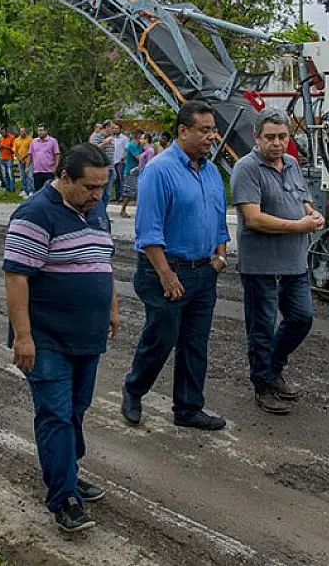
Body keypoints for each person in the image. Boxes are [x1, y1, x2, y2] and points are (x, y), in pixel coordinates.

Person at [3, 143, 116, 533]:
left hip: (87, 336)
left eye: (103, 187)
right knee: (55, 413)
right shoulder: (34, 214)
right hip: (46, 338)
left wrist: (112, 308)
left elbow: (103, 263)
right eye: (89, 187)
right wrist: (23, 337)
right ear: (64, 177)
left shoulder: (96, 211)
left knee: (76, 410)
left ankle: (67, 471)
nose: (97, 195)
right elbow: (16, 277)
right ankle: (63, 496)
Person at [122, 101, 230, 431]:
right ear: (183, 132)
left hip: (203, 272)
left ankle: (188, 407)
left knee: (195, 343)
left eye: (213, 129)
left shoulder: (211, 171)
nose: (212, 136)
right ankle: (134, 389)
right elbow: (148, 231)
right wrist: (166, 275)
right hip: (165, 272)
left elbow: (218, 219)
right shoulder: (159, 170)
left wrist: (220, 257)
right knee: (162, 338)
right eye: (205, 130)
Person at [230, 109, 325, 415]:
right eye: (270, 137)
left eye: (283, 136)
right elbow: (253, 218)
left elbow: (303, 201)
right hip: (261, 265)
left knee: (301, 318)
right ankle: (263, 385)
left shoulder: (293, 164)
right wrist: (299, 226)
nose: (277, 143)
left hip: (294, 262)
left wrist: (312, 213)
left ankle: (273, 368)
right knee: (262, 328)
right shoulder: (247, 169)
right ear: (256, 138)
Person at [118, 130, 146, 218]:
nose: (143, 139)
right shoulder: (132, 145)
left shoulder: (140, 146)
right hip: (131, 172)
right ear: (137, 137)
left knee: (138, 192)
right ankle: (122, 210)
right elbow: (138, 158)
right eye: (142, 137)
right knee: (129, 192)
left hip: (138, 171)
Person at [29, 124, 61, 192]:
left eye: (41, 130)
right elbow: (30, 154)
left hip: (48, 171)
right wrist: (27, 167)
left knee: (49, 191)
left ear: (46, 131)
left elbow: (57, 154)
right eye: (38, 131)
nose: (39, 132)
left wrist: (55, 167)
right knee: (38, 191)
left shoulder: (53, 141)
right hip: (37, 171)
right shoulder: (34, 141)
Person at [110, 123, 128, 202]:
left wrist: (123, 157)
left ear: (120, 129)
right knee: (116, 180)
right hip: (113, 161)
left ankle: (122, 196)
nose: (115, 130)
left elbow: (126, 149)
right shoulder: (112, 138)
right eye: (114, 128)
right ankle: (116, 196)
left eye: (117, 128)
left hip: (121, 161)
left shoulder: (124, 138)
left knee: (122, 180)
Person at [14, 126, 33, 195]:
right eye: (21, 131)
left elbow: (31, 150)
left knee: (29, 176)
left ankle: (30, 190)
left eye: (23, 131)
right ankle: (25, 190)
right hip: (20, 161)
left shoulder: (30, 139)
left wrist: (23, 157)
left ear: (26, 131)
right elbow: (15, 151)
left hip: (29, 161)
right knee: (22, 177)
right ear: (19, 132)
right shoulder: (16, 140)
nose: (22, 133)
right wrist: (19, 158)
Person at [0, 127, 17, 192]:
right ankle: (7, 188)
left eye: (3, 133)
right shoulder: (0, 138)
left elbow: (13, 149)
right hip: (2, 158)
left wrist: (5, 147)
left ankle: (12, 188)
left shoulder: (12, 137)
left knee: (10, 174)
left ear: (6, 132)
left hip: (9, 158)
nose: (2, 134)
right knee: (4, 175)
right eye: (1, 133)